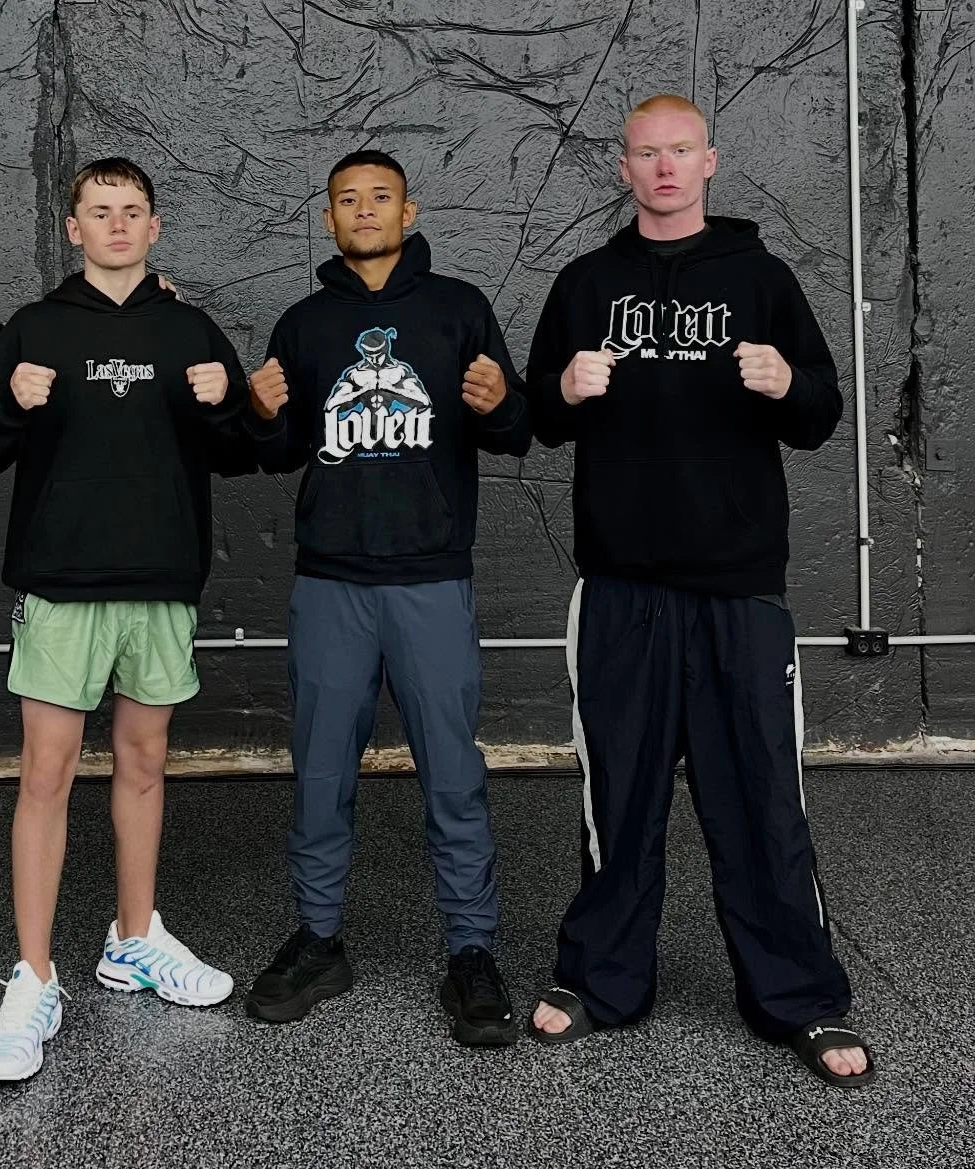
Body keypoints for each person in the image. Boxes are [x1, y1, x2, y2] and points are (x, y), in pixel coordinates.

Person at [524, 94, 873, 1087]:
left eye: (682, 151)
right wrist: (566, 390)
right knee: (617, 797)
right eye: (648, 153)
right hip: (622, 584)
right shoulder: (588, 283)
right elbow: (538, 413)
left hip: (737, 584)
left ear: (710, 161)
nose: (666, 168)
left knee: (761, 795)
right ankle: (601, 978)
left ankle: (799, 996)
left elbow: (821, 411)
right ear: (625, 166)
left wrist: (785, 382)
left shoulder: (761, 279)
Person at [0, 157, 252, 1082]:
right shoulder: (36, 328)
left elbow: (246, 450)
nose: (117, 225)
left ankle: (132, 937)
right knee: (45, 773)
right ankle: (32, 976)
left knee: (145, 762)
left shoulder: (190, 327)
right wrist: (11, 401)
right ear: (73, 228)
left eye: (132, 212)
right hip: (63, 581)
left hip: (160, 581)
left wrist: (225, 402)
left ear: (154, 227)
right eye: (99, 212)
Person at [240, 150, 532, 1047]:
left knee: (453, 772)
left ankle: (472, 953)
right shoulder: (304, 322)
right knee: (322, 773)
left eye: (379, 198)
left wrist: (497, 401)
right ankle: (321, 938)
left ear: (409, 211)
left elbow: (519, 431)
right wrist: (258, 412)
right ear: (328, 219)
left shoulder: (459, 309)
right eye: (345, 200)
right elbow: (281, 453)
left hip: (429, 579)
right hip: (332, 582)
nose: (363, 211)